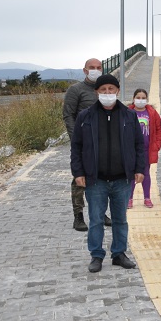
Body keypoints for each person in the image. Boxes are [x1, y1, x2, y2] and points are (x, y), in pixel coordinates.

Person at [70, 74, 144, 273]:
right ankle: (96, 255)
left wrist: (139, 169)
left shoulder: (129, 116)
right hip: (96, 180)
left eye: (111, 89)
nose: (107, 93)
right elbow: (76, 147)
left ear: (118, 91)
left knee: (120, 219)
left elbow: (139, 145)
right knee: (95, 220)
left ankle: (119, 253)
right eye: (103, 90)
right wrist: (78, 172)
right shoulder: (85, 116)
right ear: (96, 92)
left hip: (122, 179)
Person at [62, 57, 105, 231]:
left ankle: (101, 213)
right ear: (85, 70)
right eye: (92, 67)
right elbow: (68, 115)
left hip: (103, 142)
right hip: (84, 142)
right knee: (79, 178)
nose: (95, 70)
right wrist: (76, 139)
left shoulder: (103, 89)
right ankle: (78, 216)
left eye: (99, 67)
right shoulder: (76, 90)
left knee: (102, 178)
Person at [127, 88, 161, 208]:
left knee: (146, 173)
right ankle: (129, 198)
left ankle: (147, 197)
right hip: (131, 150)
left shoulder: (152, 113)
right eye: (138, 97)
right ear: (133, 99)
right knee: (131, 174)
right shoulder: (127, 112)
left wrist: (157, 145)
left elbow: (159, 129)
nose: (140, 100)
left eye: (143, 98)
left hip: (147, 149)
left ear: (147, 100)